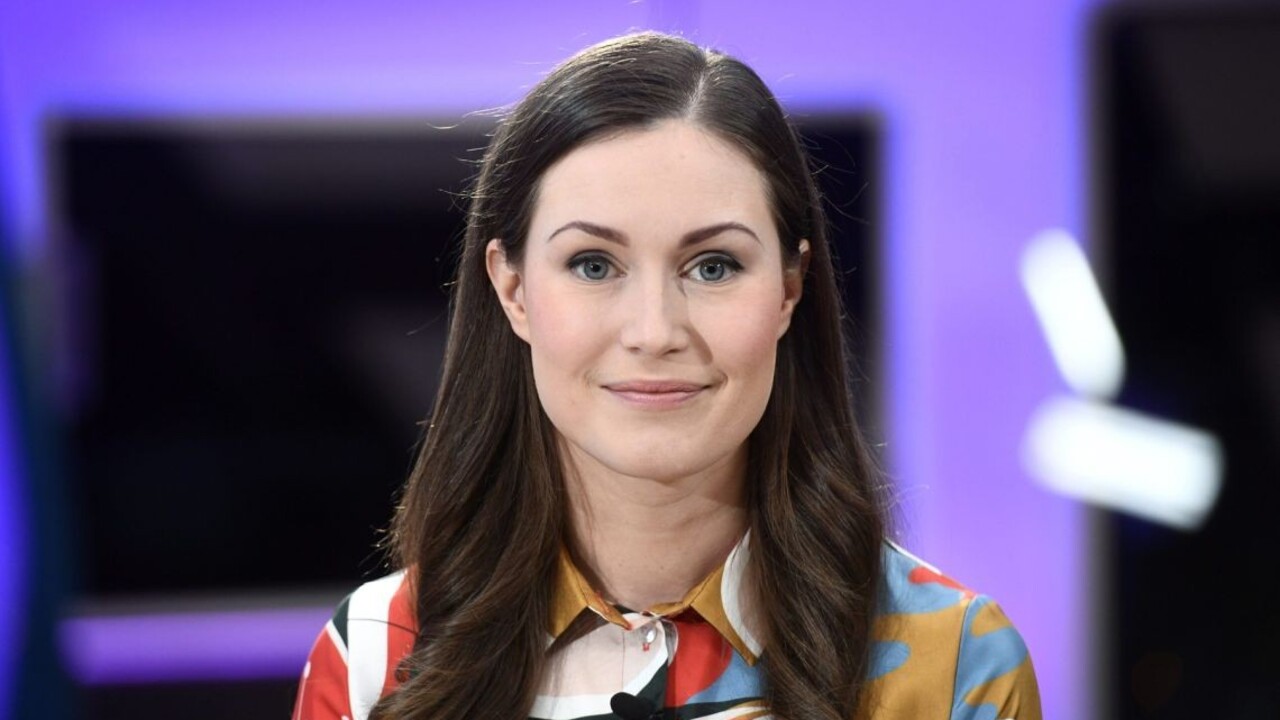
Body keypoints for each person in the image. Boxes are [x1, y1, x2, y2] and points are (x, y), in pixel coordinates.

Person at [291, 31, 1040, 720]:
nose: (654, 332)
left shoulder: (954, 666)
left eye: (713, 266)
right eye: (593, 265)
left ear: (789, 287)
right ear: (512, 288)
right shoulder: (376, 659)